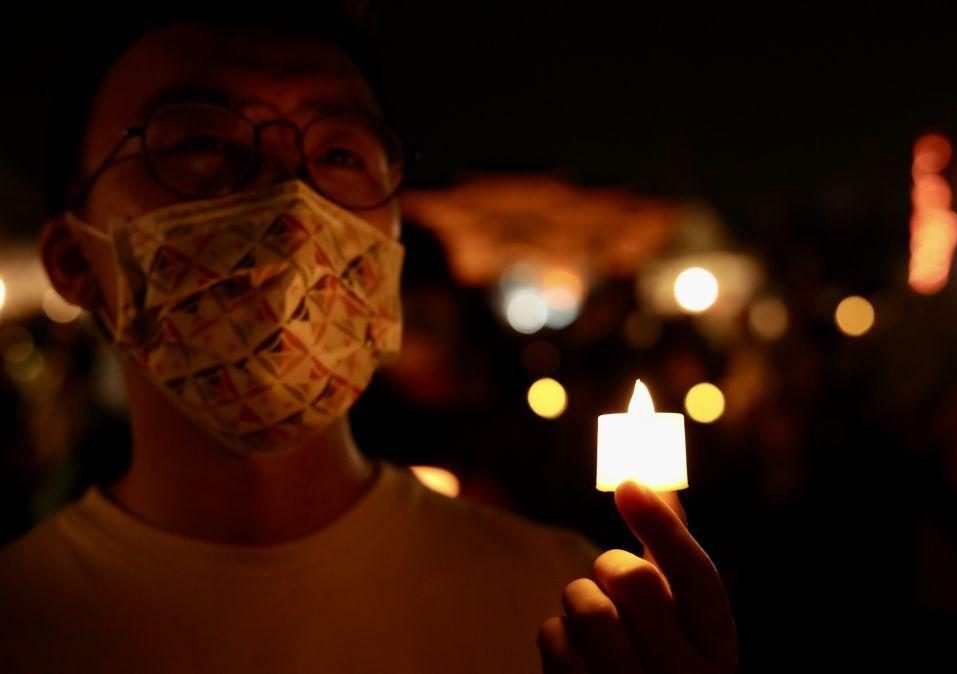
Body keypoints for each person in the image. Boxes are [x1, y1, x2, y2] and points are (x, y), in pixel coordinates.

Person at [0, 15, 737, 674]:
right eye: (199, 141)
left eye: (341, 153)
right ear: (71, 261)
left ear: (392, 244)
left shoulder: (578, 616)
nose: (290, 201)